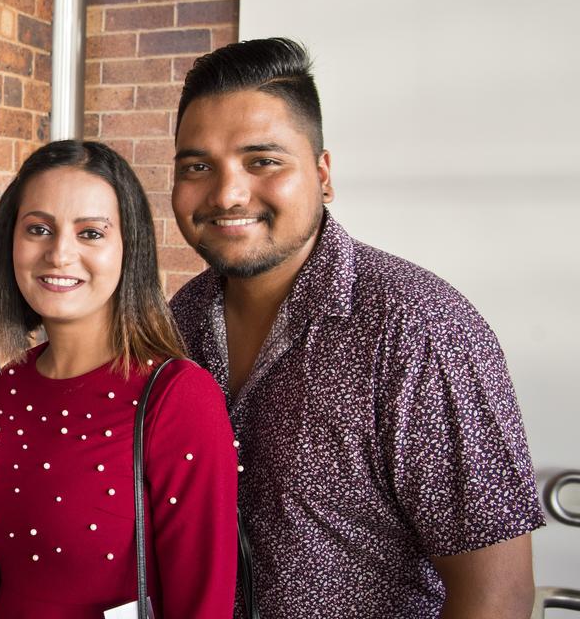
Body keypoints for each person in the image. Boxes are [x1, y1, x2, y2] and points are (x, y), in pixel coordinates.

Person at [168, 37, 544, 619]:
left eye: (263, 161)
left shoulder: (420, 329)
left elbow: (496, 598)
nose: (227, 193)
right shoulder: (179, 322)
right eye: (198, 166)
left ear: (322, 174)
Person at [0, 140, 238, 618]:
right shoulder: (9, 386)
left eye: (90, 233)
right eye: (39, 229)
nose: (60, 254)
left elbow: (203, 603)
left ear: (128, 249)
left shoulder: (178, 397)